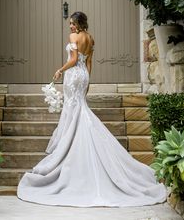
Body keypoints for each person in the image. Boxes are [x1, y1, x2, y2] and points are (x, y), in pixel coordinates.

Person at [17, 11, 167, 207]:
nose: (70, 27)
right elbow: (88, 63)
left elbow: (73, 60)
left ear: (79, 24)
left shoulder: (74, 37)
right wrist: (86, 83)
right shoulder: (90, 38)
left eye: (72, 23)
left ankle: (69, 149)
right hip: (83, 76)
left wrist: (60, 70)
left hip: (72, 74)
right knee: (80, 108)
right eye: (70, 24)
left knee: (73, 111)